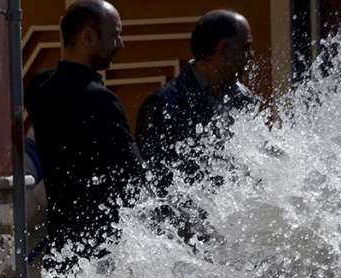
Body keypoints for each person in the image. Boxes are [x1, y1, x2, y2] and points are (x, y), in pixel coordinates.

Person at [26, 0, 145, 260]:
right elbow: (135, 177)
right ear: (88, 37)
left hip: (60, 249)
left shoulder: (40, 90)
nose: (120, 45)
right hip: (100, 254)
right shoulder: (100, 101)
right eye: (115, 35)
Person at [135, 10, 255, 195]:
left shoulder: (244, 99)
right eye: (245, 48)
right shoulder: (164, 104)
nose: (250, 56)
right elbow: (155, 183)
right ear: (223, 48)